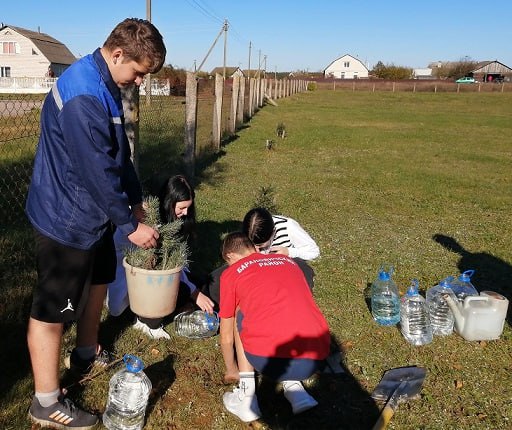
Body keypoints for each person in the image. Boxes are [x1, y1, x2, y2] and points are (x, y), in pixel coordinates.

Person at [24, 18, 166, 429]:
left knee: (100, 281)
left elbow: (118, 152)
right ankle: (46, 401)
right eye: (139, 72)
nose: (139, 82)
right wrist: (130, 224)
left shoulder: (105, 80)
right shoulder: (85, 93)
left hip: (94, 214)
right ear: (118, 53)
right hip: (65, 219)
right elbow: (97, 172)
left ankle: (86, 351)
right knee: (52, 312)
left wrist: (135, 199)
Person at [218, 232, 330, 422]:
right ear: (253, 248)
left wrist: (231, 369)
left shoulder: (232, 273)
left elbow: (227, 335)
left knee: (240, 311)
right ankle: (295, 390)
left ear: (230, 256)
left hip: (269, 359)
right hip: (317, 354)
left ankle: (246, 397)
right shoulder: (288, 262)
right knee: (285, 307)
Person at [107, 174, 214, 339]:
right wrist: (195, 293)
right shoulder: (151, 220)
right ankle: (145, 321)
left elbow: (177, 259)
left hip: (155, 270)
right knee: (120, 307)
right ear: (169, 203)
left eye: (188, 208)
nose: (185, 213)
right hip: (130, 270)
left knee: (195, 282)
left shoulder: (174, 221)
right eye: (181, 208)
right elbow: (164, 264)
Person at [203, 207, 319, 308]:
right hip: (254, 270)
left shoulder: (288, 226)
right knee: (218, 277)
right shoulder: (249, 230)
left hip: (281, 271)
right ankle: (211, 302)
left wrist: (288, 251)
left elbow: (313, 251)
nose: (257, 249)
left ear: (273, 232)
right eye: (253, 245)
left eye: (261, 245)